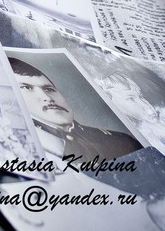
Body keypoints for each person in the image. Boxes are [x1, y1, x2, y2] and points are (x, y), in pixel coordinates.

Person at [8, 57, 141, 161]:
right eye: (27, 88)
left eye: (49, 89)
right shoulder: (17, 147)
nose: (47, 98)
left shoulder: (121, 142)